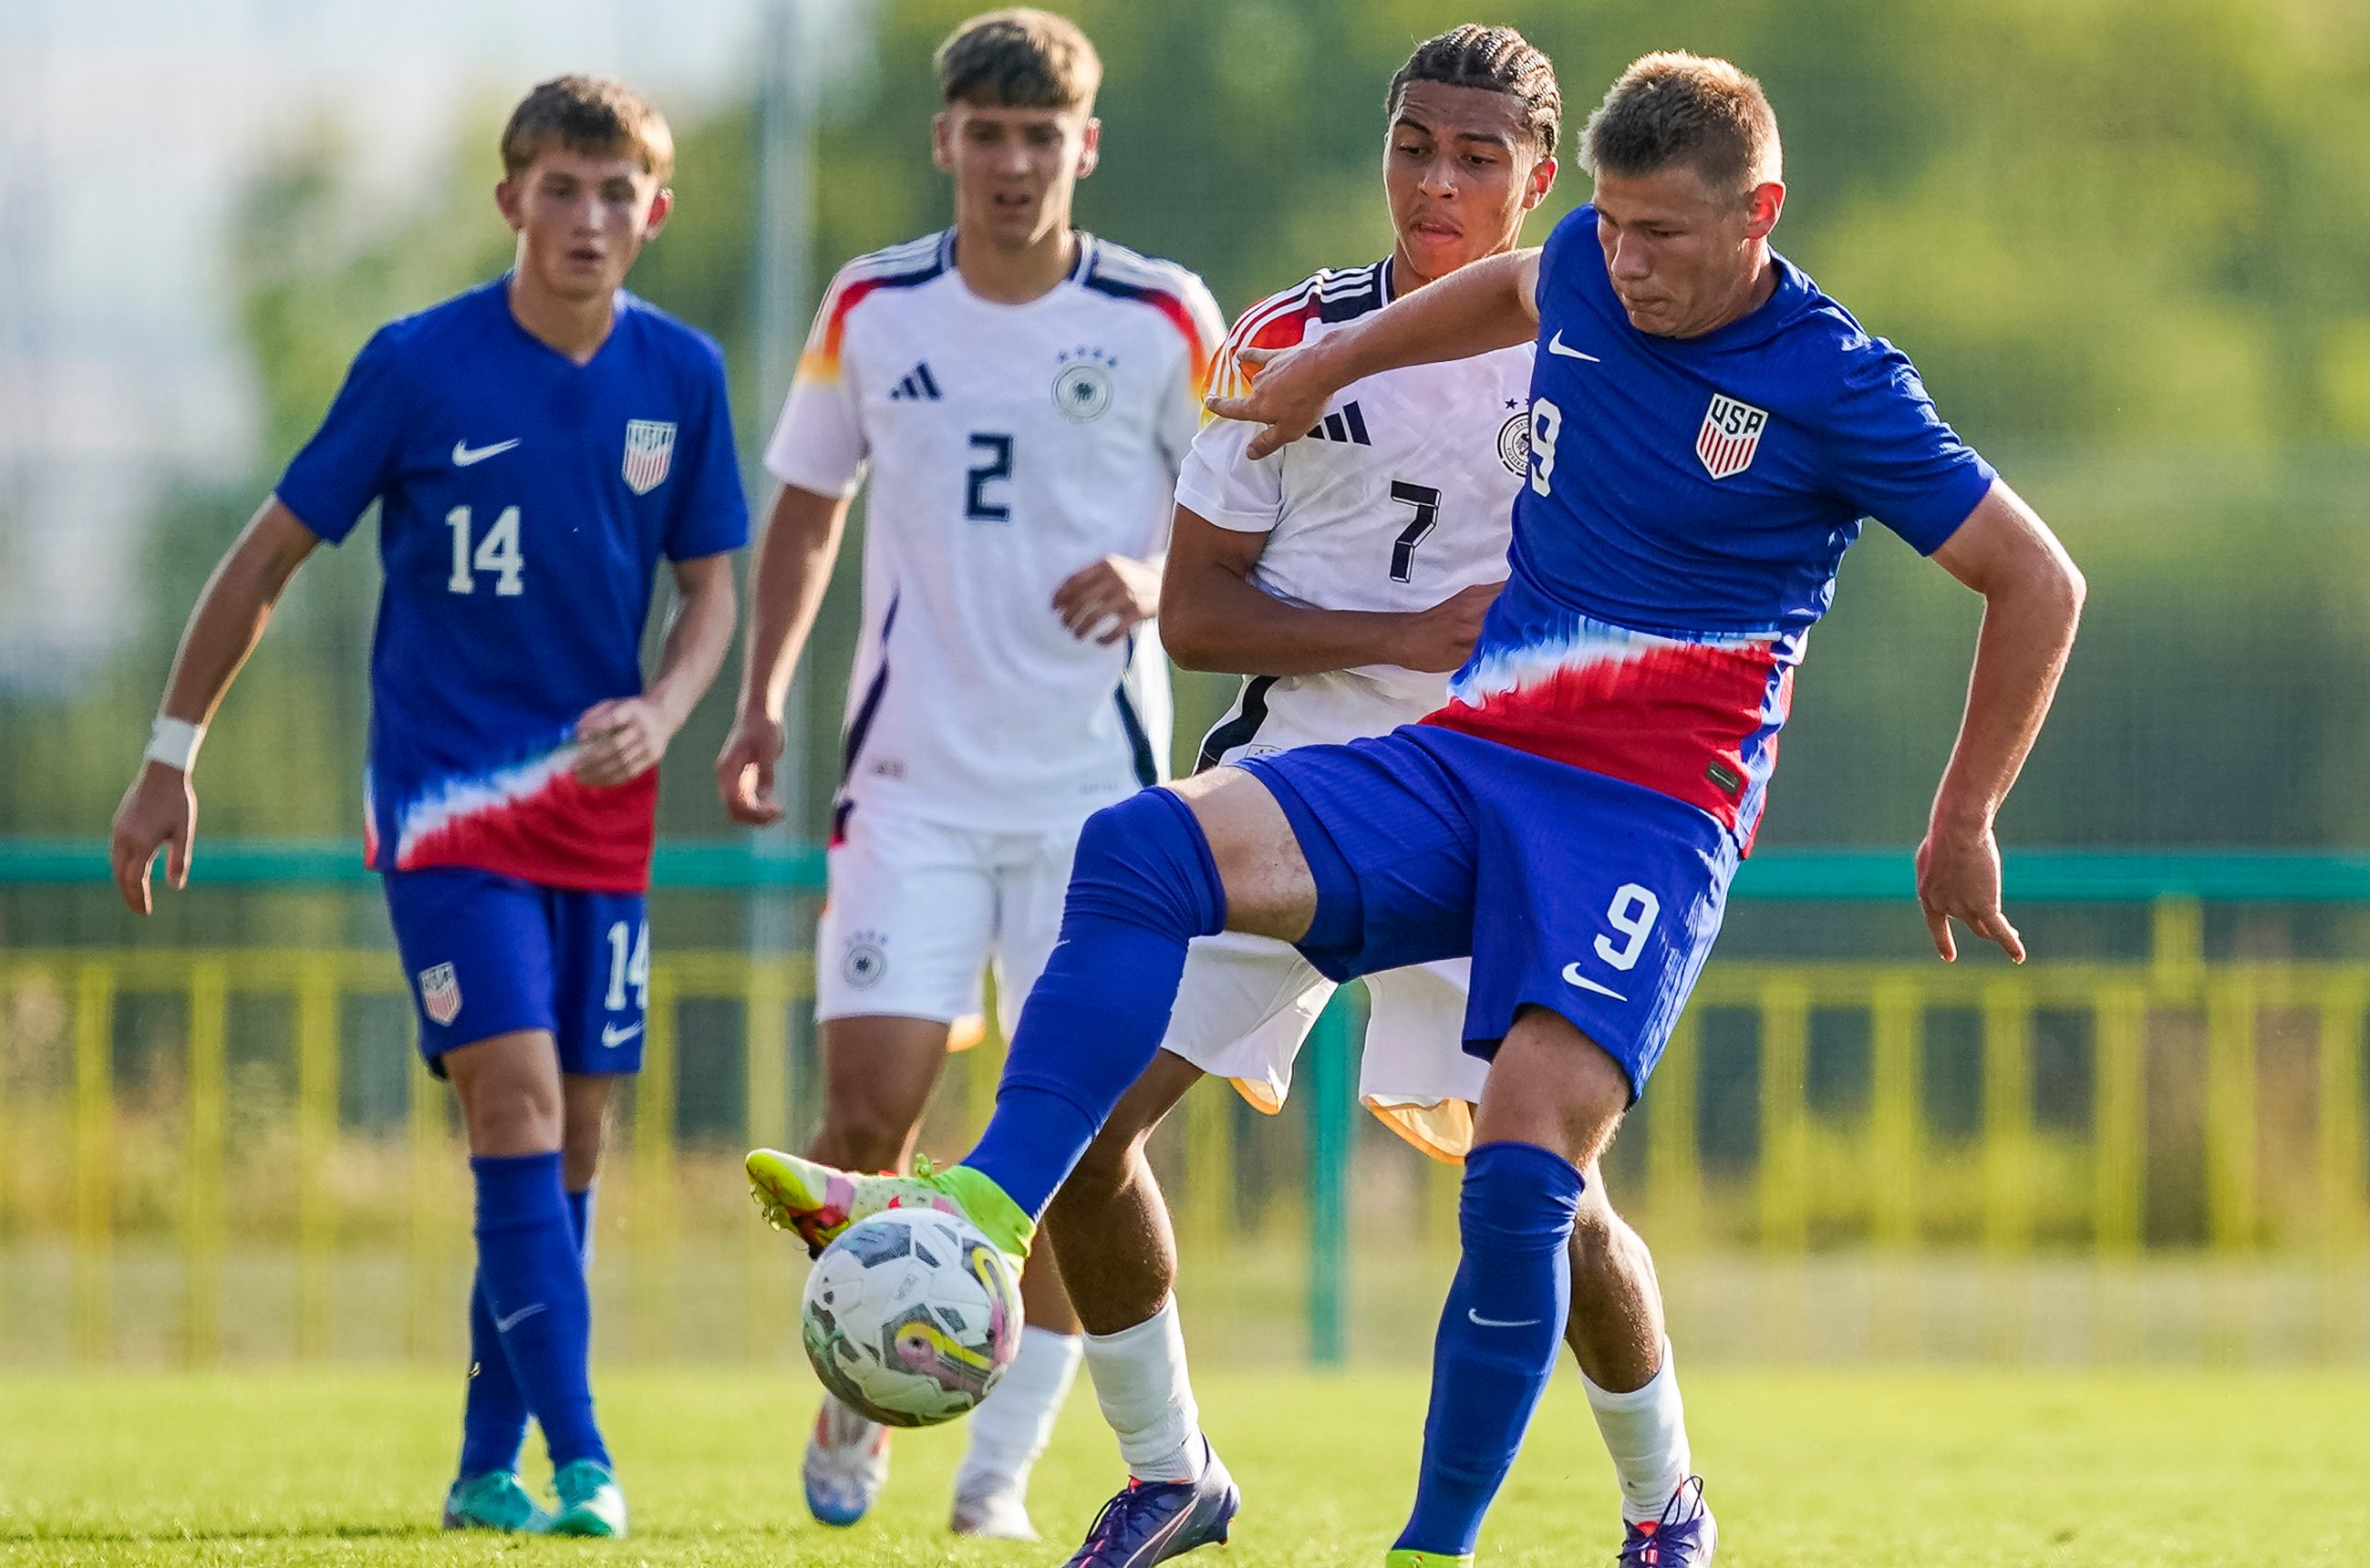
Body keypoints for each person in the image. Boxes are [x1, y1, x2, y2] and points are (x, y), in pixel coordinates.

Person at [749, 48, 2085, 1568]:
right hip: (1454, 766)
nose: (1622, 263)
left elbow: (2035, 577)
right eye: (1611, 226)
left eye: (1661, 237)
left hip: (1642, 819)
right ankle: (1006, 1231)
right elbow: (1516, 290)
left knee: (1530, 1183)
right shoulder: (1572, 263)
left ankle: (1520, 1531)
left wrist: (1962, 814)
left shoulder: (1839, 383)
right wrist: (1334, 364)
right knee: (1135, 850)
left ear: (1759, 211)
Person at [1036, 26, 1693, 1568]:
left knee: (1548, 1193)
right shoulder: (1288, 334)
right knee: (1081, 1127)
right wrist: (1392, 636)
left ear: (1542, 183)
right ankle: (1168, 1470)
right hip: (1294, 793)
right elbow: (1191, 615)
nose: (1437, 181)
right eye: (1414, 145)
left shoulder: (1612, 355)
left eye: (1478, 158)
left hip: (1512, 811)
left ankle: (1665, 1500)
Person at [107, 77, 745, 1542]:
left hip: (599, 813)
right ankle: (584, 1458)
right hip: (445, 807)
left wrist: (662, 707)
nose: (589, 217)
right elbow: (264, 560)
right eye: (561, 187)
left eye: (616, 192)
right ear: (510, 199)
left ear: (654, 211)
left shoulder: (684, 376)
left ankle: (480, 1470)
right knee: (511, 1106)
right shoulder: (417, 365)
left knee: (574, 1144)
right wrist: (168, 753)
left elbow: (712, 593)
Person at [711, 6, 1223, 1541]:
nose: (1011, 162)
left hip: (1094, 806)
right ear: (946, 141)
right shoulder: (872, 306)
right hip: (913, 783)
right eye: (985, 134)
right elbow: (804, 506)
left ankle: (995, 1477)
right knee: (864, 1117)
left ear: (1084, 143)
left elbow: (1242, 502)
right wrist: (760, 704)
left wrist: (1153, 572)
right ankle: (862, 1388)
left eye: (1039, 133)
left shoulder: (1162, 316)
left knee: (1068, 1147)